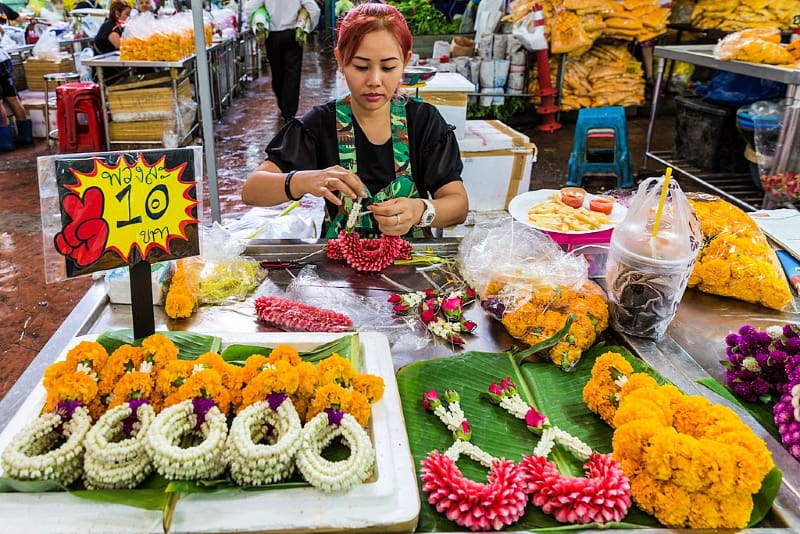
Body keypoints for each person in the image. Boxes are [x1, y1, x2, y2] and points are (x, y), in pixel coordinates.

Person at [242, 1, 468, 239]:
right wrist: (305, 180)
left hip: (413, 265)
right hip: (339, 271)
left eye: (389, 67)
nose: (374, 80)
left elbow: (458, 205)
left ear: (405, 61)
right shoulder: (320, 124)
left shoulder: (423, 122)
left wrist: (420, 210)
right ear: (340, 59)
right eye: (361, 67)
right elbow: (252, 190)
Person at [242, 0, 321, 122]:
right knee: (293, 74)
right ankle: (289, 112)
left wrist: (253, 24)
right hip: (292, 35)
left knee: (277, 72)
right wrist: (309, 27)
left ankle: (283, 105)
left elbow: (249, 8)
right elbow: (314, 9)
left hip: (272, 37)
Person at [0, 2, 32, 151]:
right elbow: (2, 30)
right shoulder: (1, 6)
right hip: (3, 59)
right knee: (12, 98)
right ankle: (26, 136)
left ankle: (5, 142)